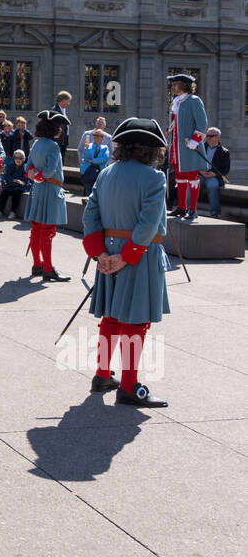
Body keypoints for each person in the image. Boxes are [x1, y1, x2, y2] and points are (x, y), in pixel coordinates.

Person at [82, 118, 170, 406]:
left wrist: (101, 254)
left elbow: (90, 216)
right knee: (136, 320)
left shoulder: (106, 173)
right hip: (139, 256)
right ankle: (130, 386)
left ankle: (103, 374)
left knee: (111, 317)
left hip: (108, 252)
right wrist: (125, 257)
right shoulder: (155, 177)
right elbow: (148, 224)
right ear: (151, 150)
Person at [25, 109, 71, 281]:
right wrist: (38, 176)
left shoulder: (37, 144)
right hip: (50, 190)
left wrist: (33, 175)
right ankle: (48, 268)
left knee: (36, 229)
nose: (60, 129)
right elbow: (50, 171)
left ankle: (37, 264)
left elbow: (27, 166)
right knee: (48, 231)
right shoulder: (53, 146)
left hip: (37, 190)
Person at [167, 73, 208, 221]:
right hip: (178, 148)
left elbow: (202, 123)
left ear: (183, 85)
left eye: (175, 84)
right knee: (180, 177)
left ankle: (193, 209)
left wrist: (195, 140)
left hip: (190, 147)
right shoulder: (177, 102)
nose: (173, 87)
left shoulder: (194, 100)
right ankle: (182, 207)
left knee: (192, 177)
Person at [200, 126, 229, 218]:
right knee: (192, 185)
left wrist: (215, 174)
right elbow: (194, 162)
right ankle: (188, 209)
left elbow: (226, 169)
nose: (208, 137)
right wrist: (200, 171)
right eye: (207, 135)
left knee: (212, 186)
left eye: (211, 136)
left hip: (213, 176)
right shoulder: (200, 148)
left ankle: (215, 213)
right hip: (200, 174)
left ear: (218, 137)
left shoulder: (224, 152)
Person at [0, 148, 29, 221]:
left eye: (20, 158)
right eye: (16, 158)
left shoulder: (25, 167)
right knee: (4, 193)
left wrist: (21, 181)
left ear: (23, 159)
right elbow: (6, 175)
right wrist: (13, 180)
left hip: (20, 186)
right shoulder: (10, 165)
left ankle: (13, 211)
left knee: (16, 194)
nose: (18, 160)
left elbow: (26, 178)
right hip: (10, 184)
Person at [80, 128, 111, 197]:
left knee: (98, 192)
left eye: (97, 135)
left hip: (100, 172)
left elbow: (105, 159)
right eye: (94, 135)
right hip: (88, 171)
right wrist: (87, 149)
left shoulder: (105, 147)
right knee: (88, 190)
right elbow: (86, 158)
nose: (95, 136)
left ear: (102, 138)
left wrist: (93, 160)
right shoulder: (88, 145)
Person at [51, 91, 72, 158]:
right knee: (58, 160)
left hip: (63, 140)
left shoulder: (63, 109)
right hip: (58, 140)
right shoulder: (55, 110)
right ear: (63, 100)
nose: (68, 103)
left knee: (61, 159)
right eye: (68, 101)